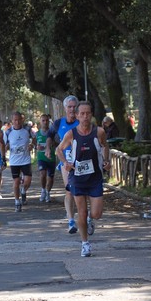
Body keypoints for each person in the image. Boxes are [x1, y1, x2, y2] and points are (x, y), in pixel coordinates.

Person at [56, 101, 110, 257]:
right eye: (82, 114)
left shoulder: (99, 132)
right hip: (77, 178)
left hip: (95, 178)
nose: (85, 116)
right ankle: (85, 244)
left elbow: (105, 146)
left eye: (88, 113)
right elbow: (58, 150)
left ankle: (89, 222)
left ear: (91, 115)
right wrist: (65, 163)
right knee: (82, 211)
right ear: (77, 115)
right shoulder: (71, 134)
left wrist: (106, 161)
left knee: (97, 213)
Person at [47, 95, 80, 233]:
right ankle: (71, 221)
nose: (72, 109)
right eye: (69, 107)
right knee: (69, 190)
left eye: (74, 107)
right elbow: (49, 136)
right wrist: (48, 148)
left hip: (81, 160)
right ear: (65, 108)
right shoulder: (58, 123)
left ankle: (85, 216)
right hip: (65, 161)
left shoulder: (81, 122)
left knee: (83, 190)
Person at [4, 111, 35, 212]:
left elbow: (34, 138)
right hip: (14, 161)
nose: (17, 122)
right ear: (12, 121)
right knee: (16, 181)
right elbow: (4, 145)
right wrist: (5, 151)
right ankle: (17, 201)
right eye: (15, 120)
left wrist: (32, 145)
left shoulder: (27, 129)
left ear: (22, 120)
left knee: (28, 180)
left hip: (25, 159)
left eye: (19, 120)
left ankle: (23, 190)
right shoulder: (8, 132)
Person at [36, 114, 56, 202]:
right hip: (41, 158)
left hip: (51, 158)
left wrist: (53, 143)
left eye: (47, 120)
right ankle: (43, 190)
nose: (45, 122)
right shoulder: (37, 134)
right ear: (40, 122)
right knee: (42, 174)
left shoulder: (53, 133)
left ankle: (48, 192)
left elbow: (59, 144)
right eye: (43, 120)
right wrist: (36, 147)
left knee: (50, 178)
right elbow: (34, 144)